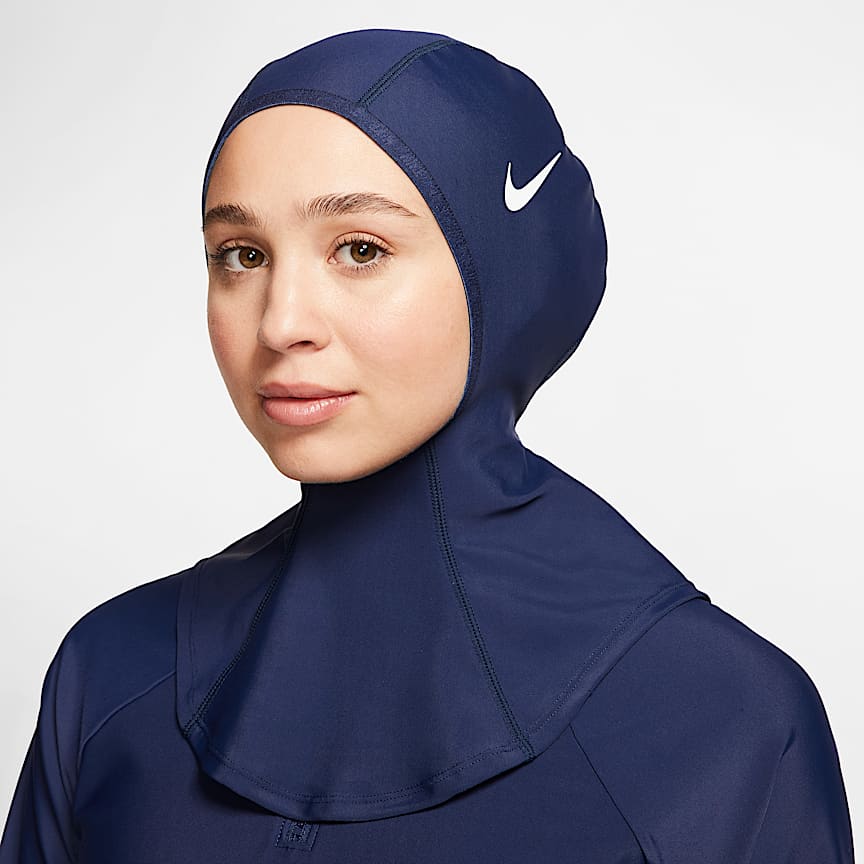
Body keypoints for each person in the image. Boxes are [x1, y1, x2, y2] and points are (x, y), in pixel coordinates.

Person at [0, 27, 854, 863]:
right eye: (242, 255)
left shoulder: (721, 721)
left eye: (359, 249)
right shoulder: (109, 674)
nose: (281, 322)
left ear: (507, 274)